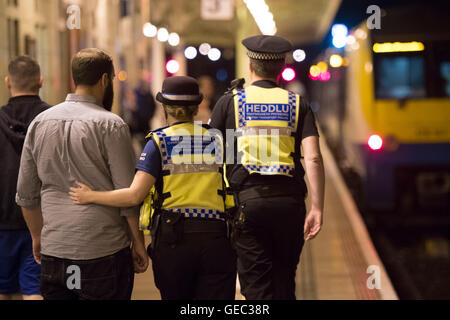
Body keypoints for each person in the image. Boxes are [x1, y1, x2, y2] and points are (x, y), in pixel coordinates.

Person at [69, 76, 237, 300]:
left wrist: (91, 196)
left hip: (175, 240)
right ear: (196, 108)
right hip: (217, 236)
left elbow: (134, 195)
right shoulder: (220, 140)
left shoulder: (159, 143)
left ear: (165, 107)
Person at [16, 48, 148, 300]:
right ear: (105, 80)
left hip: (56, 247)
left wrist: (37, 236)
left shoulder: (40, 123)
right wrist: (138, 243)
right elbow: (128, 195)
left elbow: (26, 194)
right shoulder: (112, 125)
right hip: (103, 249)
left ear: (74, 78)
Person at [210, 35, 325, 300]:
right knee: (285, 280)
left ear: (250, 66)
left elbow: (213, 157)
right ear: (282, 66)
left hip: (248, 204)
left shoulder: (230, 103)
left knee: (256, 285)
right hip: (290, 204)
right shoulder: (298, 104)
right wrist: (317, 207)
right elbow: (314, 159)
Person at [0, 56, 50, 300]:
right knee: (35, 290)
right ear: (40, 81)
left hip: (2, 221)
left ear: (8, 82)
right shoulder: (54, 120)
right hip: (44, 220)